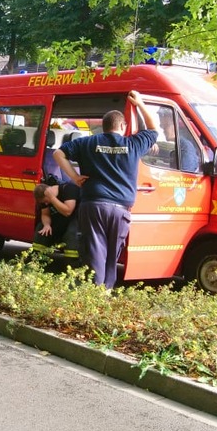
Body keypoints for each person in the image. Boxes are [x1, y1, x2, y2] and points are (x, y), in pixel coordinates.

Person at [52, 91, 158, 288]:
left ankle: (94, 294)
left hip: (94, 205)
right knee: (111, 256)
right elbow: (153, 128)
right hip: (120, 210)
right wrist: (141, 104)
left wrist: (75, 178)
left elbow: (58, 154)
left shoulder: (88, 142)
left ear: (105, 126)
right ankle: (106, 292)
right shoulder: (132, 144)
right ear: (122, 126)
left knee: (94, 252)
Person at [33, 181, 80, 248]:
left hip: (75, 220)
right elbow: (45, 214)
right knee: (41, 229)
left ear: (47, 194)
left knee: (71, 234)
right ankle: (37, 256)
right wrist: (46, 225)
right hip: (60, 220)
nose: (46, 204)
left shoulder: (68, 189)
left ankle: (72, 258)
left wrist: (52, 198)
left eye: (46, 201)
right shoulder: (45, 199)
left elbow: (68, 212)